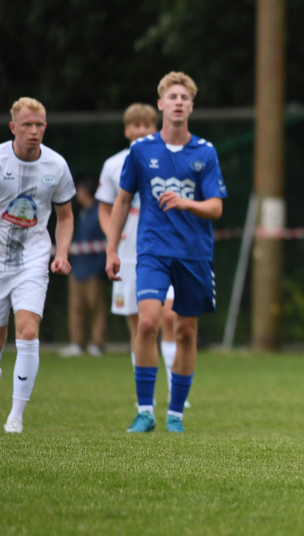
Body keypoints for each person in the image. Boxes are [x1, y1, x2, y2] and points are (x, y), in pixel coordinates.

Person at [105, 72, 227, 434]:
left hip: (193, 253)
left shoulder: (204, 152)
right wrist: (111, 249)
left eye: (184, 98)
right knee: (147, 323)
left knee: (186, 331)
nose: (178, 102)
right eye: (172, 97)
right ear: (161, 104)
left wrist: (186, 203)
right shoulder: (141, 150)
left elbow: (216, 207)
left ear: (191, 106)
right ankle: (145, 411)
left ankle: (175, 415)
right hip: (152, 250)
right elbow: (122, 200)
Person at [0, 97, 76, 433]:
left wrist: (62, 253)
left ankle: (15, 417)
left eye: (39, 124)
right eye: (26, 124)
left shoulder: (56, 165)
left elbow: (65, 216)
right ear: (12, 127)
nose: (34, 130)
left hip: (32, 260)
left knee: (28, 332)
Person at [96, 103, 158, 367]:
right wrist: (113, 235)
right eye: (136, 125)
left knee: (166, 318)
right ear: (126, 130)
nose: (142, 130)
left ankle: (173, 382)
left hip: (160, 247)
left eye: (147, 125)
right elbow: (104, 209)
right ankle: (143, 384)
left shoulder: (166, 159)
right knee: (139, 323)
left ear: (156, 128)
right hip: (128, 252)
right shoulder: (113, 164)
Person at [61, 177, 107, 357]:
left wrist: (101, 268)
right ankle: (77, 343)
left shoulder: (99, 213)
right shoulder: (82, 213)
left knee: (96, 308)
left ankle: (97, 343)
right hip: (78, 267)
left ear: (87, 192)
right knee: (75, 308)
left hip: (94, 269)